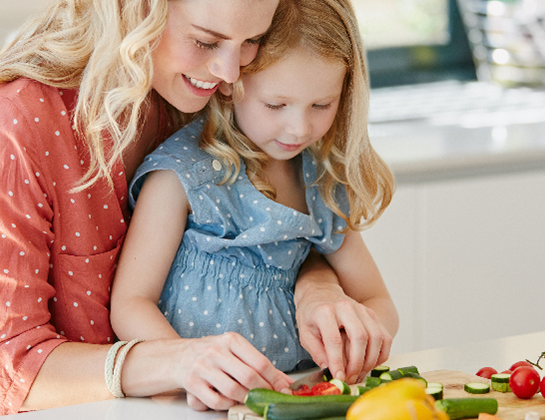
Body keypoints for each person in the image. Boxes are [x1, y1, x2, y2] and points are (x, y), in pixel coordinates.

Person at [0, 0, 390, 416]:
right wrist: (177, 361)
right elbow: (8, 367)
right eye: (205, 41)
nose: (230, 73)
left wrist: (316, 287)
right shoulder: (12, 121)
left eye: (252, 40)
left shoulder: (207, 91)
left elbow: (273, 239)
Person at [110, 0, 398, 381]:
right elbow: (130, 304)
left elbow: (379, 302)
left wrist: (357, 334)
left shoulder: (319, 181)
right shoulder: (182, 175)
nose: (299, 128)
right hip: (193, 400)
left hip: (297, 390)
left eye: (321, 105)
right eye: (276, 105)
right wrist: (186, 368)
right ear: (231, 84)